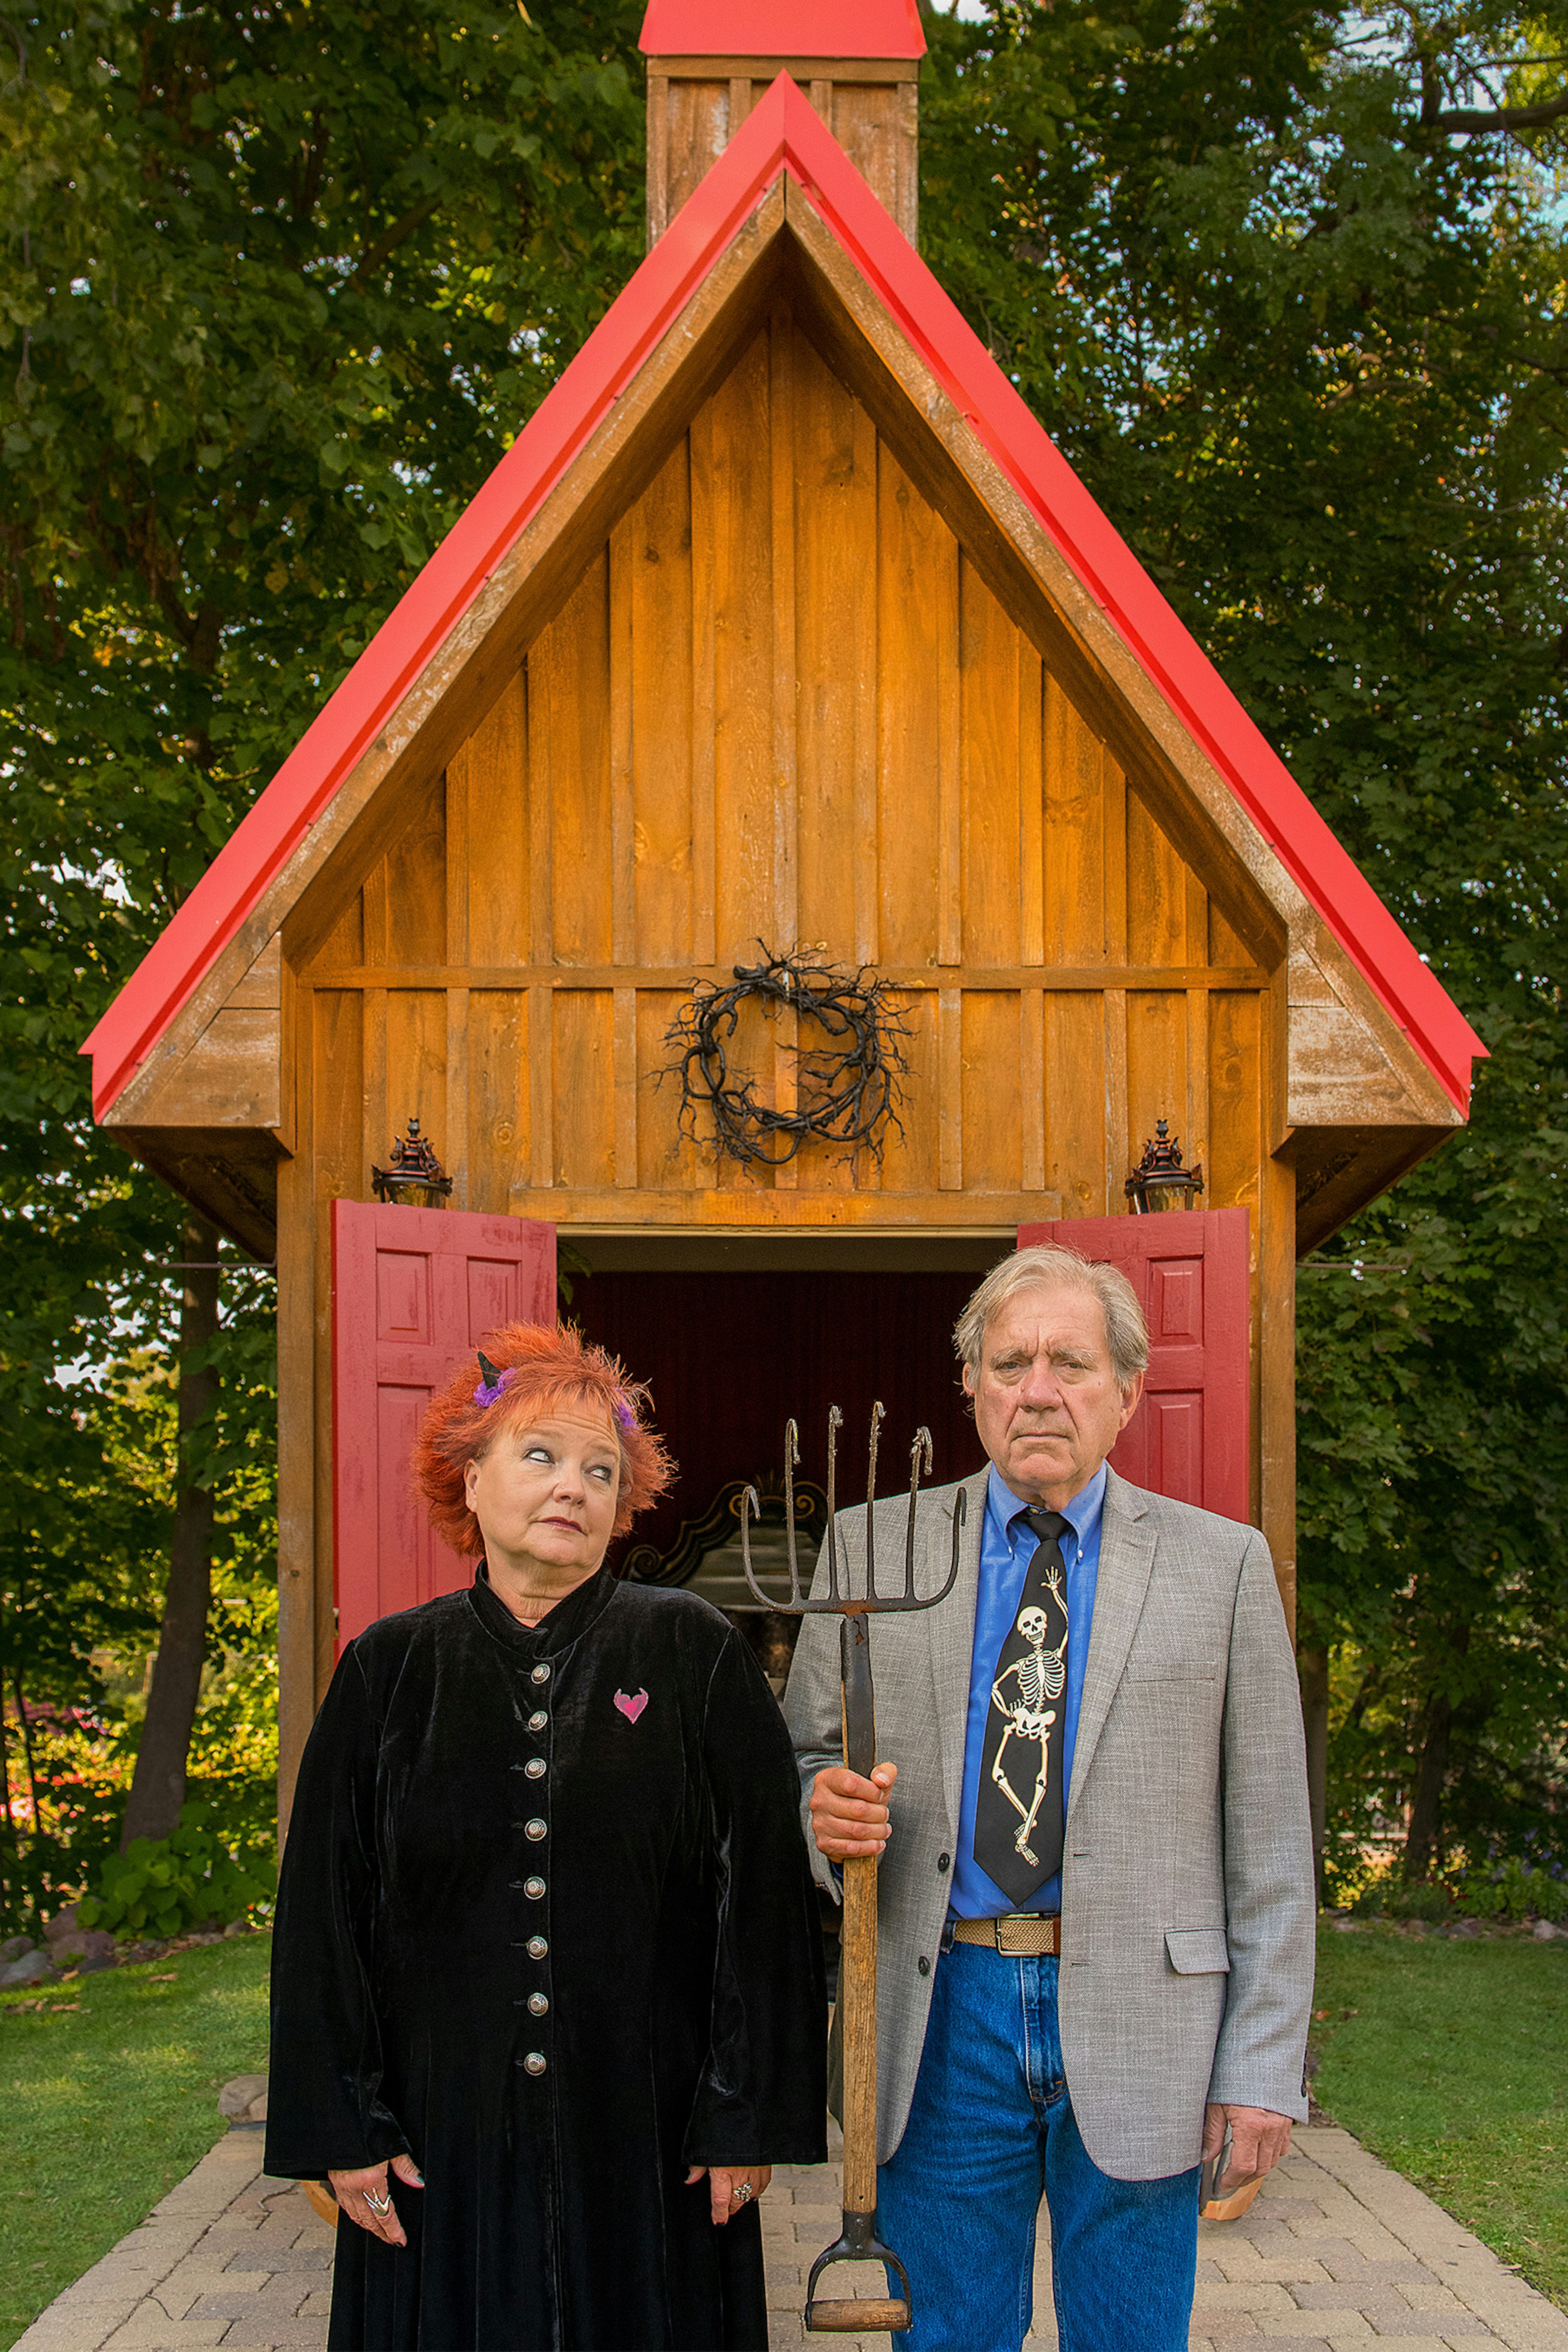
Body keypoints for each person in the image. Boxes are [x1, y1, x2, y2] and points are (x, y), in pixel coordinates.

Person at [783, 1244, 1314, 2352]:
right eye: (1009, 1361)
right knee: (949, 2336)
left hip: (1146, 2014)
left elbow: (1269, 1845)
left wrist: (1263, 2069)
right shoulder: (875, 1546)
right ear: (971, 1388)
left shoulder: (1220, 1568)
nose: (1038, 1390)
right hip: (943, 2011)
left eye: (1070, 1363)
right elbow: (805, 1762)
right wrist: (820, 1815)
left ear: (1126, 1393)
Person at [266, 1321, 826, 2351]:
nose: (573, 1485)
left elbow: (765, 1896)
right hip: (439, 2134)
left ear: (622, 1511)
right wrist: (342, 2127)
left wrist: (747, 2112)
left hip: (653, 2134)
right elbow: (321, 1917)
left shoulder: (692, 1650)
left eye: (600, 1470)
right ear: (469, 1480)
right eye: (540, 1457)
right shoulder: (388, 1671)